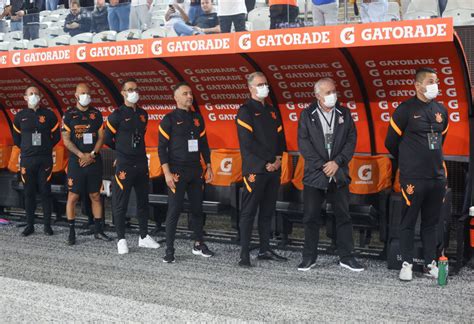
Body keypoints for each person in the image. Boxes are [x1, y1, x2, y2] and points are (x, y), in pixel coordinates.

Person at [385, 67, 448, 281]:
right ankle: (407, 264)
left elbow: (441, 139)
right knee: (408, 221)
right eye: (431, 81)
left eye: (437, 80)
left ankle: (430, 264)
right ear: (418, 85)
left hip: (436, 178)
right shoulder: (405, 110)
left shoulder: (441, 110)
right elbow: (391, 142)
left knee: (431, 223)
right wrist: (408, 161)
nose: (435, 85)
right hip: (413, 178)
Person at [297, 78, 364, 272]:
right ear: (317, 95)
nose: (332, 95)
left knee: (343, 216)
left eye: (333, 91)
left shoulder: (345, 113)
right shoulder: (307, 114)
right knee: (311, 217)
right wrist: (322, 165)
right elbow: (304, 144)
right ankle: (309, 257)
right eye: (327, 93)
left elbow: (351, 140)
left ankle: (347, 257)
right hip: (315, 175)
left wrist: (338, 162)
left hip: (339, 173)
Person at [158, 82, 215, 263]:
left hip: (195, 171)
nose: (189, 96)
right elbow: (161, 149)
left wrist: (209, 166)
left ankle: (198, 244)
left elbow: (204, 144)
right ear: (176, 98)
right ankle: (169, 250)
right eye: (185, 94)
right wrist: (167, 173)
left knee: (197, 209)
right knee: (174, 210)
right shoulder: (168, 119)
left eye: (190, 93)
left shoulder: (198, 118)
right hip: (176, 172)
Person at [236, 72, 286, 267]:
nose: (264, 87)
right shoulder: (245, 110)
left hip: (273, 169)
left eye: (265, 83)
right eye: (259, 84)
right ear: (250, 88)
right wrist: (269, 159)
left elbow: (281, 138)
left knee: (267, 211)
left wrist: (278, 159)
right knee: (249, 212)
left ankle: (265, 248)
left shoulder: (272, 110)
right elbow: (248, 143)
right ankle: (244, 254)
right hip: (255, 169)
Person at [104, 78, 160, 254]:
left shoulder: (143, 114)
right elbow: (107, 139)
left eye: (135, 89)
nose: (133, 92)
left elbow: (140, 135)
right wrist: (121, 152)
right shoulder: (116, 115)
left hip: (141, 163)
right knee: (121, 202)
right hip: (124, 164)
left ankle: (143, 236)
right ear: (123, 93)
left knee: (143, 200)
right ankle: (121, 239)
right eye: (129, 89)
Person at [61, 83, 111, 245]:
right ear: (75, 95)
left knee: (95, 195)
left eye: (88, 93)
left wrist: (92, 154)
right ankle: (71, 231)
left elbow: (101, 137)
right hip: (77, 162)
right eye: (82, 93)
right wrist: (81, 155)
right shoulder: (69, 115)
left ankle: (98, 230)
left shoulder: (96, 114)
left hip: (94, 160)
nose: (86, 96)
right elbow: (66, 140)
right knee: (73, 196)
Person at [11, 85, 61, 237]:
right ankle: (29, 225)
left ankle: (47, 226)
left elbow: (57, 137)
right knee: (29, 192)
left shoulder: (49, 114)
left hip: (44, 159)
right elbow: (17, 139)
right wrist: (28, 150)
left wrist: (45, 148)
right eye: (30, 93)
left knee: (45, 192)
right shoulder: (20, 116)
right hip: (27, 160)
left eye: (36, 93)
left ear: (40, 97)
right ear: (25, 97)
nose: (34, 96)